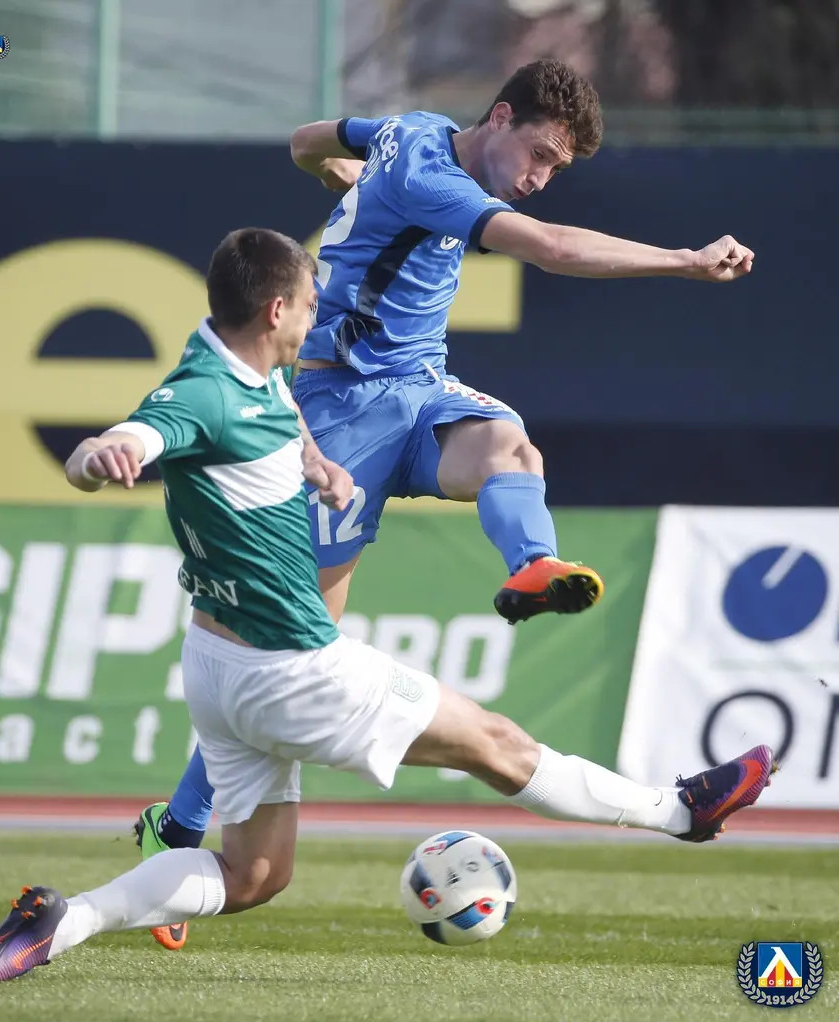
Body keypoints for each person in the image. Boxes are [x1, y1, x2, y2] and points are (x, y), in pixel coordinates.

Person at [0, 228, 773, 984]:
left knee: (254, 876)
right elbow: (134, 435)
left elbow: (278, 413)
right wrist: (102, 455)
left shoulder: (243, 360)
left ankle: (60, 922)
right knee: (496, 745)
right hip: (290, 669)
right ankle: (680, 812)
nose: (319, 320)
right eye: (311, 305)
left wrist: (318, 466)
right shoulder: (204, 393)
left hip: (214, 668)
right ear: (276, 311)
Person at [133, 58, 757, 951]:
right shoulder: (430, 172)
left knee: (511, 447)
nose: (538, 178)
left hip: (420, 391)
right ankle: (178, 826)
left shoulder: (405, 132)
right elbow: (552, 248)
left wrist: (342, 179)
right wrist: (684, 261)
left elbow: (305, 140)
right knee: (292, 644)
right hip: (338, 408)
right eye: (538, 155)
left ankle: (532, 566)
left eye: (555, 169)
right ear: (499, 117)